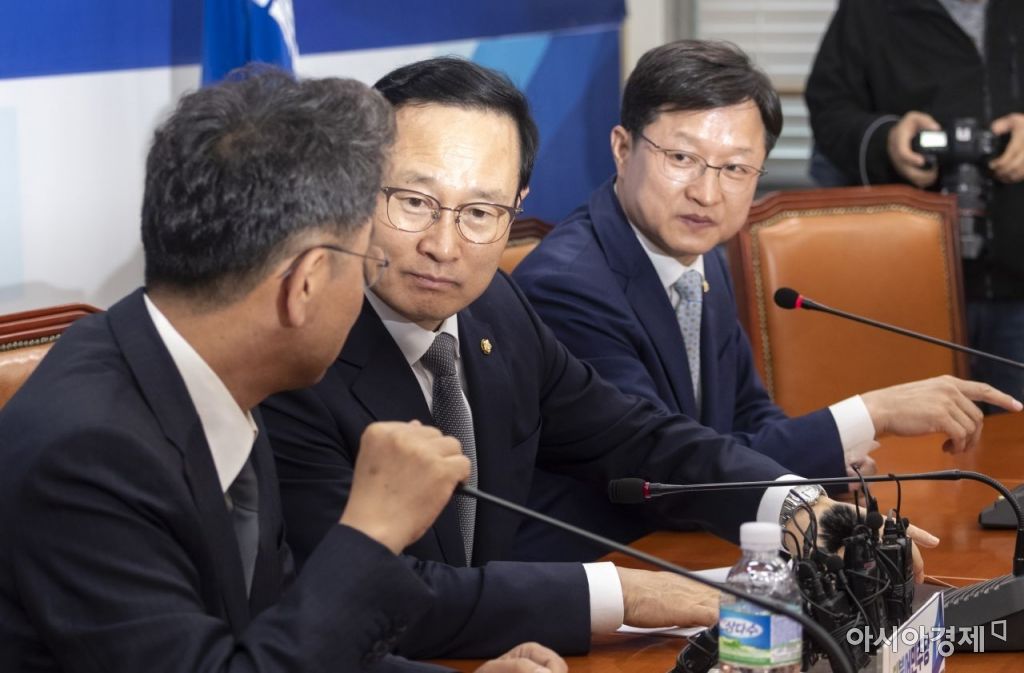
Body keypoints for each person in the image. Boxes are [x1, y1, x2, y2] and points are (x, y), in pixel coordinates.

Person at [260, 56, 939, 660]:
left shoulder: (495, 307)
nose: (444, 244)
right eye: (414, 202)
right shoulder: (297, 360)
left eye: (481, 212)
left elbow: (634, 436)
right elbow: (370, 595)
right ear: (355, 192)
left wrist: (794, 506)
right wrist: (634, 594)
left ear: (516, 207)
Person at [0, 67, 566, 673]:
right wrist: (372, 534)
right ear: (306, 284)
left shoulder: (209, 379)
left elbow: (272, 639)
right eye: (365, 263)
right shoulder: (88, 454)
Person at [510, 39, 1021, 560]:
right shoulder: (568, 287)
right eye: (682, 158)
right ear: (623, 149)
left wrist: (827, 460)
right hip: (602, 564)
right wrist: (870, 413)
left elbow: (747, 415)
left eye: (735, 169)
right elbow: (661, 473)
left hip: (690, 547)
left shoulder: (699, 254)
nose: (707, 193)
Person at [805, 0, 1024, 402]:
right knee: (916, 432)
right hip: (904, 287)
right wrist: (887, 139)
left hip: (1018, 281)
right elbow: (829, 109)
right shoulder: (868, 10)